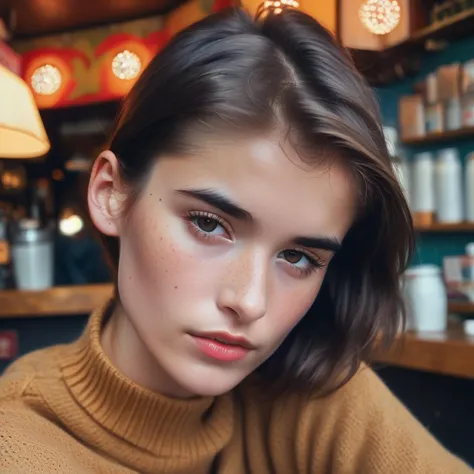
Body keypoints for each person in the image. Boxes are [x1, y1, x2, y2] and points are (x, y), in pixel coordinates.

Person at [0, 7, 471, 474]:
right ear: (111, 195)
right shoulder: (17, 446)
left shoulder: (311, 390)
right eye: (208, 224)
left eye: (297, 257)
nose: (249, 302)